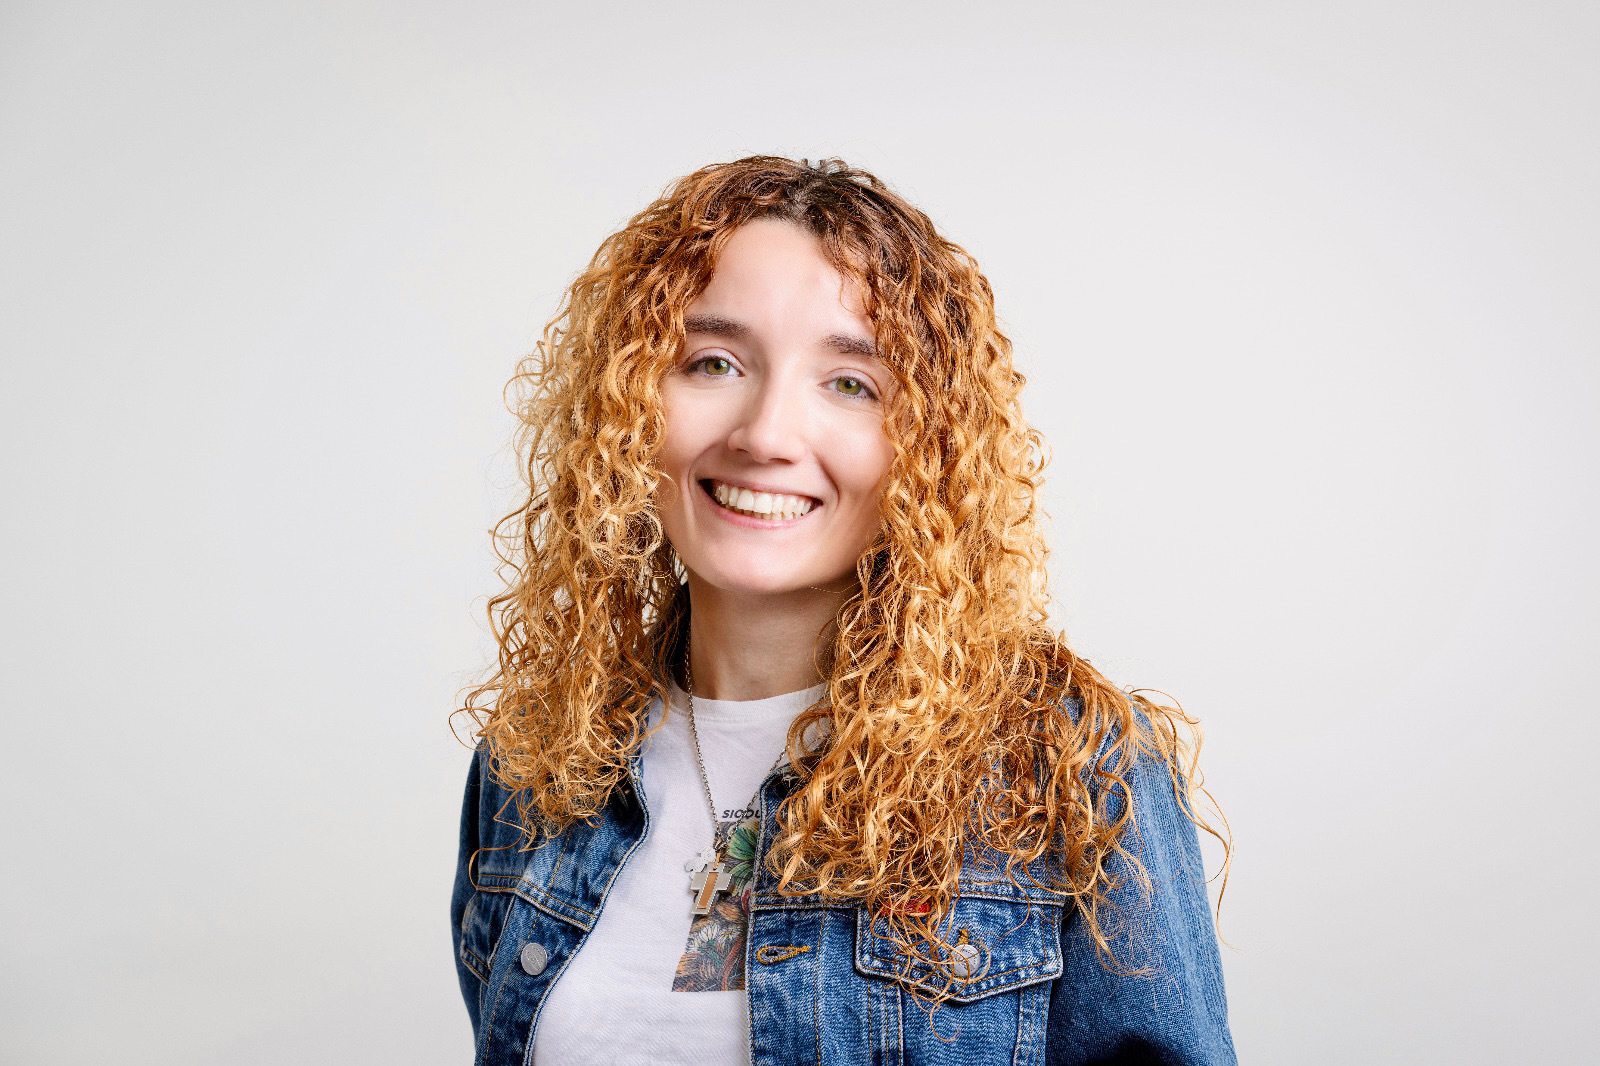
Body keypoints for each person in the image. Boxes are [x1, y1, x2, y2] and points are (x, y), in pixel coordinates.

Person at [452, 156, 1235, 1066]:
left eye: (850, 382)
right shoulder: (536, 764)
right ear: (625, 406)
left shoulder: (1074, 770)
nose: (765, 434)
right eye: (713, 363)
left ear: (929, 447)